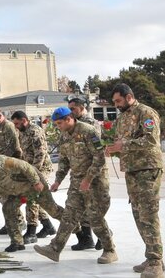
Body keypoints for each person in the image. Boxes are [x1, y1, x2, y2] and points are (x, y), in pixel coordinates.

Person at [34, 107, 117, 265]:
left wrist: (88, 179)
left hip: (96, 182)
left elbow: (99, 157)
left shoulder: (88, 131)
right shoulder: (64, 135)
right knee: (69, 216)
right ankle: (55, 249)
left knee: (95, 218)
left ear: (69, 119)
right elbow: (64, 161)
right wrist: (58, 180)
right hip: (76, 182)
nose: (58, 126)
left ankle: (110, 249)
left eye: (59, 123)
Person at [105, 83, 165, 278]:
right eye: (114, 102)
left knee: (148, 214)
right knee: (139, 215)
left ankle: (156, 262)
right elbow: (124, 145)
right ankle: (151, 256)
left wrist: (124, 145)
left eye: (118, 101)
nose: (116, 105)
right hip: (132, 171)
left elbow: (151, 140)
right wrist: (114, 148)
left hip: (148, 169)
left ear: (129, 96)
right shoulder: (122, 117)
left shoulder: (146, 113)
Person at [0, 156, 64, 253]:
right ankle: (17, 242)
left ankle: (76, 228)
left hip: (33, 185)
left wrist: (36, 181)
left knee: (53, 211)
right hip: (18, 192)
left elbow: (25, 166)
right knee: (8, 208)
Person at [12, 110, 56, 242]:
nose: (16, 126)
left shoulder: (34, 131)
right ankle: (48, 226)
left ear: (24, 120)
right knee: (36, 198)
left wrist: (34, 173)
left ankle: (31, 232)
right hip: (30, 169)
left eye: (17, 123)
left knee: (32, 196)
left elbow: (40, 154)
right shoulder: (22, 132)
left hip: (41, 168)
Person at [66, 95, 101, 250]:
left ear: (81, 107)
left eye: (73, 108)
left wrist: (90, 175)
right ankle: (87, 239)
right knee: (81, 210)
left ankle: (105, 236)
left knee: (93, 208)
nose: (70, 112)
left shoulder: (91, 124)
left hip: (91, 174)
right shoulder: (72, 126)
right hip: (78, 173)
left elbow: (97, 151)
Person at [0, 108, 23, 237]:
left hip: (9, 166)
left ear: (0, 116)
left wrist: (7, 165)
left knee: (10, 197)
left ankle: (18, 222)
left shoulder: (9, 127)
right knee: (3, 197)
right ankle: (10, 222)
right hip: (0, 166)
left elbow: (15, 147)